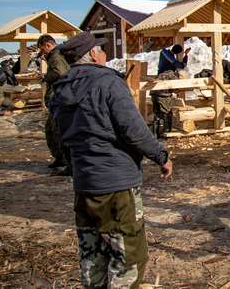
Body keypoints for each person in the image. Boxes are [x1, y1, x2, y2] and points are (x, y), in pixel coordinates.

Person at [49, 32, 173, 289]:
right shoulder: (108, 83)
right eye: (100, 49)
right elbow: (135, 130)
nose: (104, 53)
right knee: (128, 256)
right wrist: (160, 155)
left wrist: (76, 169)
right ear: (94, 55)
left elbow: (61, 139)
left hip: (84, 185)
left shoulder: (60, 90)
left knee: (91, 254)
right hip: (116, 185)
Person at [37, 34, 71, 175]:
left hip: (58, 95)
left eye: (42, 49)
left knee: (57, 129)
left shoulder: (56, 56)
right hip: (56, 96)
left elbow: (59, 72)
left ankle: (66, 160)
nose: (42, 52)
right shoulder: (55, 55)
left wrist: (46, 78)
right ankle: (60, 157)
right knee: (51, 129)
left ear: (48, 45)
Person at [150, 70, 176, 138]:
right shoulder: (173, 76)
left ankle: (155, 135)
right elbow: (175, 87)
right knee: (167, 114)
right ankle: (166, 135)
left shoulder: (160, 74)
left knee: (156, 114)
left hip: (153, 95)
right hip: (163, 96)